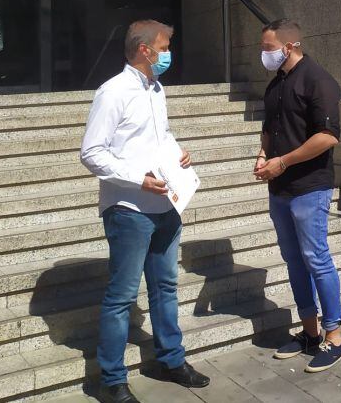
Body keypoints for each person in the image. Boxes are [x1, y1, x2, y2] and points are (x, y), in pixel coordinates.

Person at [79, 20, 209, 403]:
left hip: (166, 204)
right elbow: (92, 152)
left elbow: (160, 135)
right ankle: (113, 379)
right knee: (121, 297)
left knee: (166, 287)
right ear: (144, 50)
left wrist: (177, 151)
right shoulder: (113, 92)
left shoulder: (156, 89)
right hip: (129, 208)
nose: (169, 53)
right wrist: (137, 178)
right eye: (165, 46)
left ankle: (171, 360)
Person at [255, 19, 341, 372]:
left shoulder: (318, 80)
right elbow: (269, 129)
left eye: (268, 48)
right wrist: (264, 157)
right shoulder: (276, 83)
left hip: (310, 187)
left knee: (316, 258)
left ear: (288, 47)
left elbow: (328, 136)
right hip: (279, 189)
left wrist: (283, 161)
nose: (264, 54)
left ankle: (334, 336)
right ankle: (309, 332)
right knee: (294, 261)